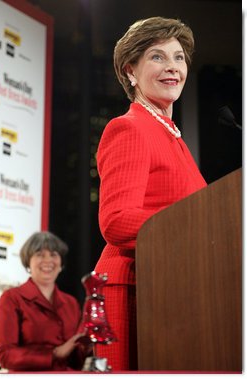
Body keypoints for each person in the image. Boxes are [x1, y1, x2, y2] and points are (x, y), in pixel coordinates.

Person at [94, 16, 207, 370]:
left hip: (167, 288)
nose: (172, 67)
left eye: (179, 57)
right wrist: (197, 231)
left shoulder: (172, 137)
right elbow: (116, 221)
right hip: (130, 292)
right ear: (130, 70)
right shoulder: (129, 128)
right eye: (158, 57)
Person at [0, 231, 92, 372]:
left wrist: (87, 347)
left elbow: (76, 360)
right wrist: (54, 354)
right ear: (28, 261)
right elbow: (5, 355)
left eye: (54, 254)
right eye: (39, 254)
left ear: (61, 263)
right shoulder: (11, 298)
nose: (48, 260)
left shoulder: (71, 302)